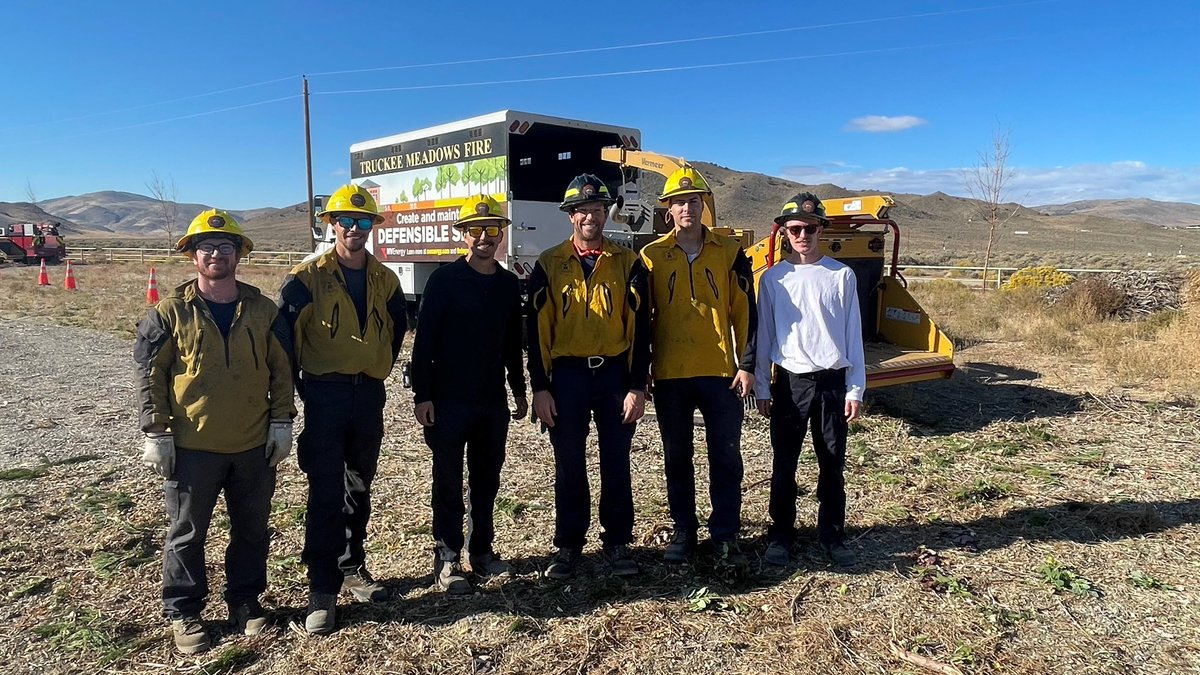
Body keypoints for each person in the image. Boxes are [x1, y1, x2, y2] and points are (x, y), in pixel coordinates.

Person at [134, 209, 295, 654]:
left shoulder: (263, 310)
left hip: (252, 446)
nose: (216, 254)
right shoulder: (169, 312)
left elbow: (282, 370)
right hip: (192, 447)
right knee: (187, 533)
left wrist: (282, 420)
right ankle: (184, 611)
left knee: (252, 530)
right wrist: (156, 430)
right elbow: (150, 374)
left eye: (226, 247)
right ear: (192, 255)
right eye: (206, 247)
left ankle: (245, 601)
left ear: (239, 254)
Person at [277, 184, 408, 634]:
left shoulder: (385, 280)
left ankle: (352, 568)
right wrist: (302, 392)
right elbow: (284, 344)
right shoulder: (305, 278)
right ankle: (322, 589)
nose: (354, 228)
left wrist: (374, 369)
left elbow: (395, 332)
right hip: (325, 395)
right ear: (331, 225)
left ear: (373, 226)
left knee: (358, 486)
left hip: (368, 395)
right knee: (326, 491)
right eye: (346, 221)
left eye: (363, 221)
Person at [527, 173, 650, 579]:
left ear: (606, 212)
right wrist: (540, 388)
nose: (590, 217)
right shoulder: (549, 263)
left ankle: (617, 543)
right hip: (567, 378)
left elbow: (641, 330)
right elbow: (537, 332)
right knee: (568, 463)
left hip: (614, 375)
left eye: (597, 209)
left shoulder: (628, 262)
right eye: (581, 211)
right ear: (570, 216)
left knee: (616, 461)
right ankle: (568, 546)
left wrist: (637, 386)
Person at [638, 166, 757, 566]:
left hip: (721, 373)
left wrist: (747, 364)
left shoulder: (729, 251)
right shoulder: (651, 256)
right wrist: (642, 369)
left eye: (693, 201)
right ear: (668, 209)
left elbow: (744, 311)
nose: (686, 208)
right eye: (678, 202)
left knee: (726, 457)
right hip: (670, 372)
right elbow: (641, 318)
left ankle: (725, 535)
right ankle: (683, 531)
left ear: (704, 205)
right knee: (677, 457)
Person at [411, 195, 528, 595]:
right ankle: (447, 558)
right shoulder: (444, 281)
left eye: (491, 229)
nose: (483, 236)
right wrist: (422, 395)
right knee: (447, 482)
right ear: (462, 234)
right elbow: (424, 343)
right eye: (475, 229)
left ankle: (481, 551)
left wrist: (519, 391)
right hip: (448, 401)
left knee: (486, 480)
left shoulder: (508, 284)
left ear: (501, 234)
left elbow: (512, 344)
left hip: (491, 402)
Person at [754, 193, 865, 568]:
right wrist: (762, 386)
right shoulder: (773, 279)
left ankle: (832, 535)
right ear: (785, 233)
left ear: (821, 230)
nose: (803, 235)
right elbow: (765, 336)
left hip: (832, 383)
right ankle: (780, 535)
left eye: (811, 228)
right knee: (784, 463)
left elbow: (853, 336)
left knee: (831, 462)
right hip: (790, 384)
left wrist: (855, 388)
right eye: (795, 229)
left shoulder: (840, 275)